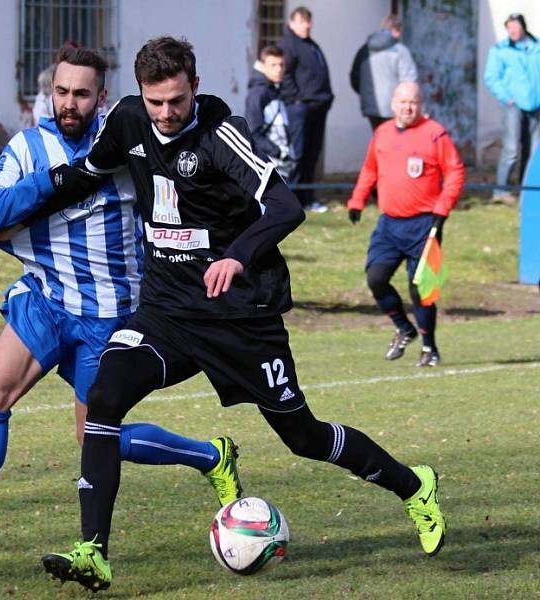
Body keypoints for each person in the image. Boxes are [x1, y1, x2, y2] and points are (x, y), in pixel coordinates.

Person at [41, 38, 447, 592]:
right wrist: (21, 201)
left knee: (302, 437)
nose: (165, 114)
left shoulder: (221, 133)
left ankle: (414, 486)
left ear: (195, 86)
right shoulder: (127, 121)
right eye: (155, 102)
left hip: (239, 317)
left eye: (177, 101)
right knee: (104, 398)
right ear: (140, 94)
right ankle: (93, 551)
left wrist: (236, 255)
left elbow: (285, 206)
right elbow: (86, 173)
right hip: (166, 312)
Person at [0, 45, 242, 573]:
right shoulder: (29, 147)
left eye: (82, 94)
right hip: (46, 299)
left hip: (108, 314)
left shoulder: (124, 142)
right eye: (62, 93)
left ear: (102, 97)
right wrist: (53, 183)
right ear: (52, 94)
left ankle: (211, 455)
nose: (69, 103)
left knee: (95, 436)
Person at [347, 82, 465, 367]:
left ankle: (429, 348)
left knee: (420, 288)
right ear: (392, 104)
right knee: (376, 278)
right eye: (402, 101)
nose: (407, 107)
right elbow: (370, 170)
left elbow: (456, 172)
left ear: (421, 104)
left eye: (413, 102)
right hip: (389, 224)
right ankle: (403, 327)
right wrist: (357, 200)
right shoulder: (382, 133)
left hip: (425, 224)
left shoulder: (435, 133)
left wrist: (442, 208)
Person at [280, 6, 333, 213]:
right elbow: (285, 75)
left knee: (312, 154)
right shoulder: (288, 45)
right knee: (298, 154)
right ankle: (292, 200)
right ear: (291, 23)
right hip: (300, 109)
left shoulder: (311, 45)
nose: (307, 25)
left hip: (318, 107)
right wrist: (296, 100)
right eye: (302, 21)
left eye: (308, 21)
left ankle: (308, 198)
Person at [484, 12, 540, 204]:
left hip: (535, 106)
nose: (512, 31)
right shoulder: (500, 50)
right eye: (509, 28)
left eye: (515, 27)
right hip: (513, 106)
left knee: (532, 151)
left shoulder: (536, 47)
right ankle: (500, 190)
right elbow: (491, 77)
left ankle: (527, 189)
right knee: (512, 149)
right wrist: (506, 98)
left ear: (523, 27)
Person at [350, 14, 418, 131]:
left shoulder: (364, 50)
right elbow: (410, 82)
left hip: (371, 108)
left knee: (380, 140)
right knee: (397, 143)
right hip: (395, 109)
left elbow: (354, 77)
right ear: (396, 30)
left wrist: (367, 95)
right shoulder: (399, 51)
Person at [245, 44, 296, 180]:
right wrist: (278, 152)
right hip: (266, 169)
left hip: (280, 167)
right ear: (262, 66)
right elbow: (253, 133)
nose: (279, 69)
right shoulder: (258, 94)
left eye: (281, 65)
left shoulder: (276, 90)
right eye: (273, 65)